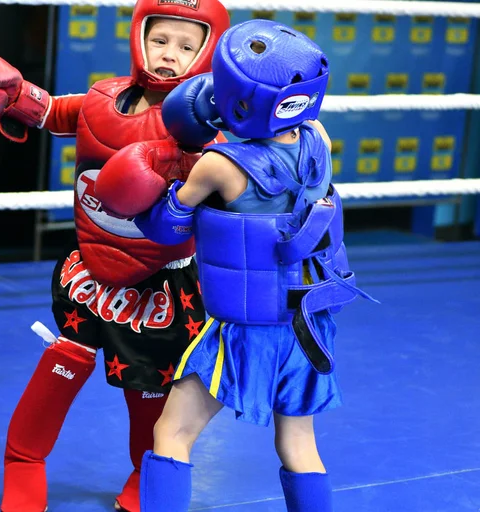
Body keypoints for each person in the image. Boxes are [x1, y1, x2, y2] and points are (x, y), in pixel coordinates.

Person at [0, 1, 230, 511]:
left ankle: (146, 474)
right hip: (91, 271)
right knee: (62, 365)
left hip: (158, 285)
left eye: (187, 46)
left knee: (147, 390)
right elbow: (50, 112)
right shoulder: (102, 99)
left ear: (207, 52)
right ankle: (23, 464)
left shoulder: (209, 130)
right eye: (160, 39)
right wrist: (9, 90)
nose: (169, 55)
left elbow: (232, 195)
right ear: (139, 37)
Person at [115, 19, 374, 512]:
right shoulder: (319, 138)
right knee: (298, 444)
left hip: (243, 331)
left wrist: (153, 175)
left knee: (172, 431)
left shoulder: (220, 167)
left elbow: (164, 226)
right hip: (307, 325)